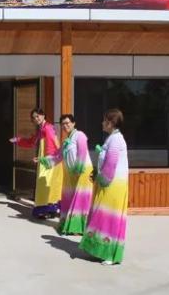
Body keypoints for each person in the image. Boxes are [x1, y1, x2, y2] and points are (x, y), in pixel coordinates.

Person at [80, 109, 129, 266]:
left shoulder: (115, 139)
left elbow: (111, 163)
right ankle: (102, 251)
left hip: (112, 184)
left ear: (111, 123)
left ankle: (110, 254)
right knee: (104, 216)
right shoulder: (113, 138)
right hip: (111, 183)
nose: (102, 123)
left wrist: (102, 179)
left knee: (110, 218)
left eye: (104, 121)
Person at [10, 108, 63, 219]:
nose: (36, 119)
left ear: (43, 115)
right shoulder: (41, 129)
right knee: (46, 184)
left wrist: (49, 159)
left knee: (45, 184)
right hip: (46, 159)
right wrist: (18, 140)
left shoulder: (48, 127)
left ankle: (46, 210)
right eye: (34, 117)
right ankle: (50, 210)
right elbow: (31, 142)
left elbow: (53, 143)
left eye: (38, 116)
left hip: (49, 160)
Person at [55, 114, 93, 235]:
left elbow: (82, 154)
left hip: (82, 172)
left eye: (67, 123)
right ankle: (73, 227)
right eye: (62, 124)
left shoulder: (80, 135)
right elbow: (58, 156)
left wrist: (78, 170)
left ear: (73, 123)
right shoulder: (66, 141)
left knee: (81, 200)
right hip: (71, 174)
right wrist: (43, 160)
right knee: (70, 199)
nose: (65, 126)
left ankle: (81, 228)